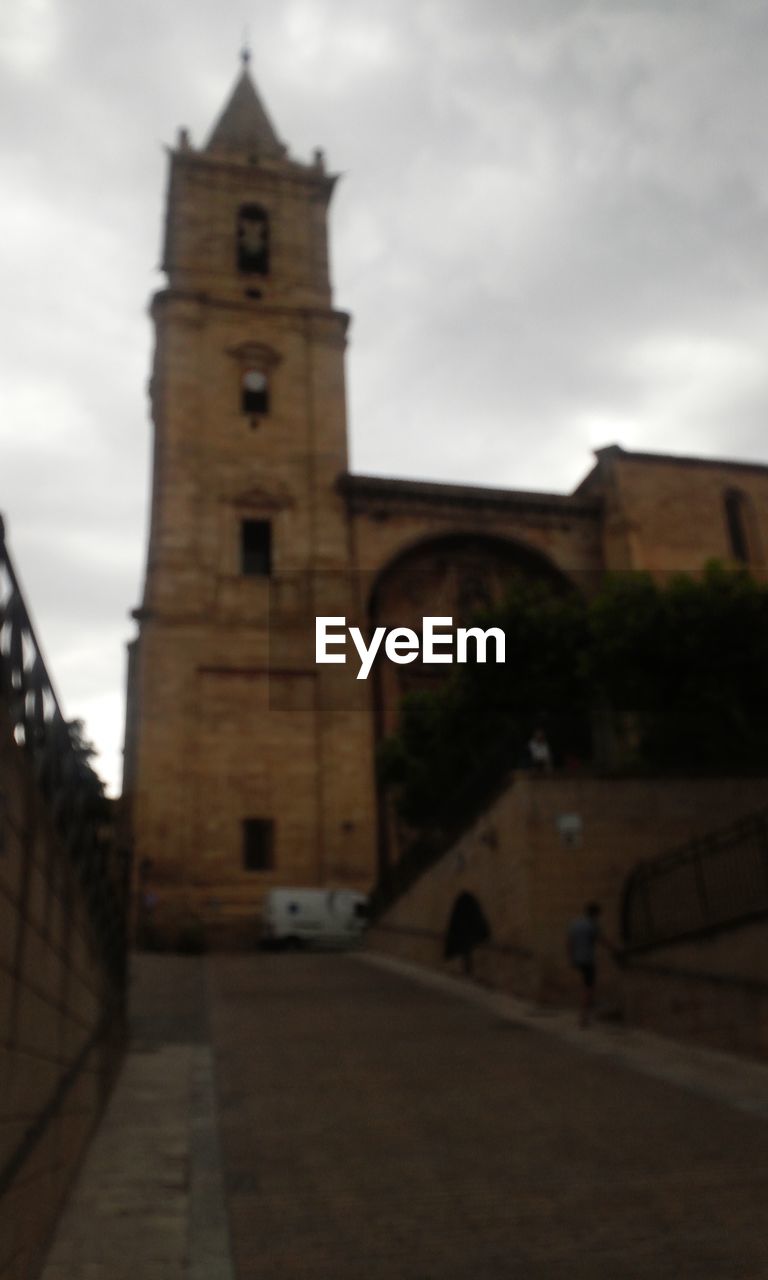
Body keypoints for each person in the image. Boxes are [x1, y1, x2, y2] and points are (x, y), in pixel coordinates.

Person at [566, 901, 613, 1027]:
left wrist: (571, 958)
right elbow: (602, 940)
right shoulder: (592, 925)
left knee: (586, 986)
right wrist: (614, 949)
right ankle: (584, 1017)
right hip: (588, 959)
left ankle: (587, 1009)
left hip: (578, 959)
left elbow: (569, 942)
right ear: (595, 914)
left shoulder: (575, 924)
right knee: (589, 988)